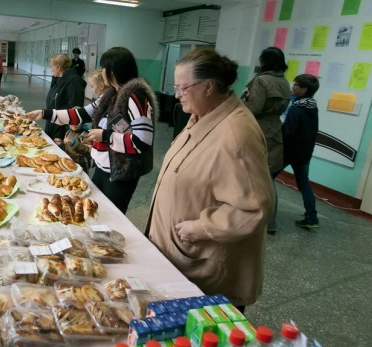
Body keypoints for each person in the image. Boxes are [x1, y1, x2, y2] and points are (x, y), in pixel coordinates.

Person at [145, 48, 275, 311]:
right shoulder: (201, 117)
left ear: (208, 87)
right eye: (175, 87)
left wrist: (200, 228)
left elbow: (255, 209)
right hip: (178, 255)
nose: (177, 94)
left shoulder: (236, 135)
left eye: (183, 88)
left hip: (204, 266)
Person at [29, 47, 157, 214]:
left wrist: (104, 135)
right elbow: (83, 113)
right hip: (102, 165)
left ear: (112, 71)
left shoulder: (136, 96)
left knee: (111, 214)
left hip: (120, 170)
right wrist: (45, 113)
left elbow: (142, 141)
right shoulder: (111, 93)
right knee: (94, 209)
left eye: (104, 68)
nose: (102, 71)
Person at [243, 47, 291, 234]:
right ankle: (271, 222)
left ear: (265, 62)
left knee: (250, 173)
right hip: (275, 129)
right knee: (267, 177)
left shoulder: (261, 80)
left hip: (257, 127)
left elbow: (253, 107)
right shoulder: (284, 82)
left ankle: (250, 219)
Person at [280, 74, 320, 229]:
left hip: (290, 151)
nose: (293, 86)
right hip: (305, 153)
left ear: (304, 89)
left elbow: (288, 133)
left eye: (296, 85)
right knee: (304, 183)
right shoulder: (312, 107)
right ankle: (312, 217)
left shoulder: (297, 109)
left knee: (267, 177)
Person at [43, 53, 86, 141]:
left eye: (52, 67)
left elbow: (75, 106)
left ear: (59, 67)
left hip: (62, 126)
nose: (51, 70)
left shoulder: (74, 81)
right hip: (53, 122)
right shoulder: (58, 79)